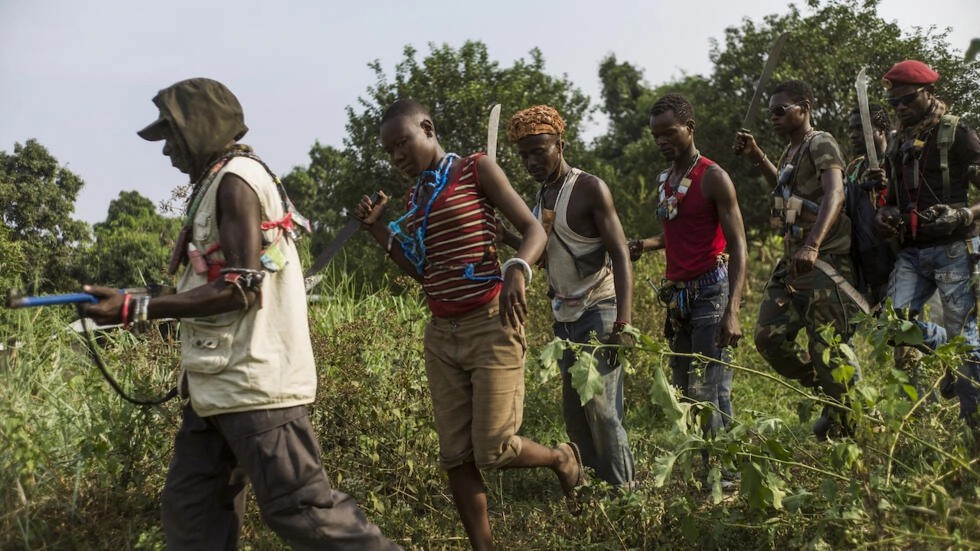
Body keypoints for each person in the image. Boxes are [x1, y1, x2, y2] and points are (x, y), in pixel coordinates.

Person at [83, 78, 399, 550]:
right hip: (216, 388)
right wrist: (131, 295)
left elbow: (240, 289)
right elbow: (211, 277)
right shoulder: (215, 183)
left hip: (254, 387)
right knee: (193, 513)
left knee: (303, 510)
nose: (167, 151)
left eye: (171, 135)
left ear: (201, 128)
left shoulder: (236, 182)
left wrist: (137, 308)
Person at [354, 99, 585, 551]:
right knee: (456, 457)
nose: (397, 156)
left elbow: (534, 229)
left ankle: (561, 458)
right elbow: (422, 269)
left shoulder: (477, 169)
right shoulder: (416, 198)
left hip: (490, 322)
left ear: (428, 128)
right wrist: (377, 229)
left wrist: (517, 266)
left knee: (493, 449)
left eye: (403, 143)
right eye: (389, 151)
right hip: (441, 335)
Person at [504, 104, 636, 490]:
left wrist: (624, 323)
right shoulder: (543, 197)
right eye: (524, 155)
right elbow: (545, 255)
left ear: (560, 145)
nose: (531, 161)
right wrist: (507, 238)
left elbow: (620, 254)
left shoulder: (589, 189)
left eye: (538, 152)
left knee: (602, 408)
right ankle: (593, 489)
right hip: (565, 317)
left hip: (600, 308)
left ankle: (625, 495)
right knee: (576, 412)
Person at [733, 80, 863, 440]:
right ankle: (833, 397)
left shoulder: (820, 142)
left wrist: (814, 244)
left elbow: (835, 194)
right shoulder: (789, 152)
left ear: (804, 108)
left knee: (828, 348)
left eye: (781, 110)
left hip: (824, 264)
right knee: (768, 338)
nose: (773, 117)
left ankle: (850, 424)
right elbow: (784, 192)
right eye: (770, 112)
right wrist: (757, 155)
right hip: (792, 266)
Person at [629, 94, 747, 464]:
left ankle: (723, 475)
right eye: (656, 136)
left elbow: (739, 245)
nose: (662, 142)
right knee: (686, 388)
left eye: (669, 133)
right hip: (679, 297)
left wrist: (734, 310)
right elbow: (677, 234)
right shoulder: (666, 179)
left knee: (708, 386)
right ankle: (717, 467)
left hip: (711, 290)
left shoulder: (714, 177)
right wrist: (644, 244)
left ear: (690, 128)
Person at [873, 60, 980, 445]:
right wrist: (885, 212)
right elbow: (888, 199)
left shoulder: (956, 134)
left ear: (928, 93)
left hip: (954, 248)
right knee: (892, 325)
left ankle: (975, 433)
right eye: (894, 102)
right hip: (912, 251)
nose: (899, 108)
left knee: (967, 342)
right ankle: (945, 349)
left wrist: (963, 213)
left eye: (906, 99)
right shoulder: (899, 141)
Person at [844, 101, 948, 396]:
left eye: (859, 128)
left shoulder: (898, 159)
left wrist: (886, 186)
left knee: (905, 340)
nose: (853, 134)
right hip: (869, 265)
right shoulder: (855, 167)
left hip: (899, 259)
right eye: (850, 129)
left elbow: (913, 201)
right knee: (888, 332)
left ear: (880, 130)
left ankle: (921, 405)